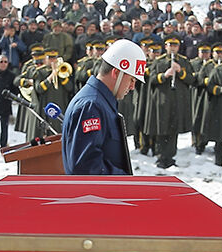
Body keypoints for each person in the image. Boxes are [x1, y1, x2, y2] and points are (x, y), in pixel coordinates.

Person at [62, 38, 145, 174]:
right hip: (97, 194)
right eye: (131, 79)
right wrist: (124, 182)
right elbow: (86, 167)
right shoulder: (91, 106)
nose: (132, 87)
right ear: (116, 73)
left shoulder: (100, 102)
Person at [142, 35, 192, 169]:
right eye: (170, 45)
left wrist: (180, 71)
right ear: (166, 47)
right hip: (162, 100)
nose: (173, 48)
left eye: (175, 45)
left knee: (173, 129)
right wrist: (164, 75)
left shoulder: (184, 61)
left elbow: (191, 79)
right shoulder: (159, 62)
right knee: (161, 128)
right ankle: (160, 156)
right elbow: (151, 79)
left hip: (177, 100)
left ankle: (170, 156)